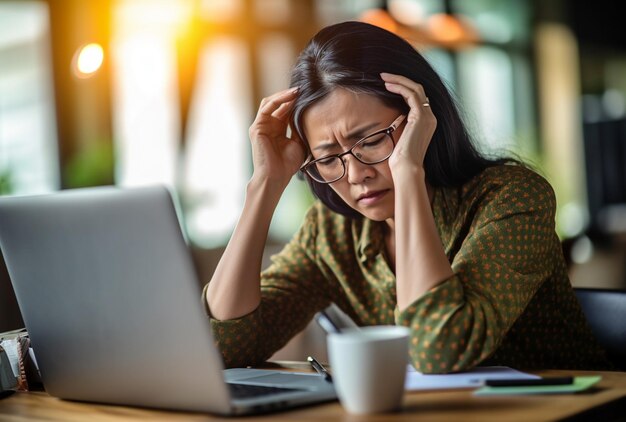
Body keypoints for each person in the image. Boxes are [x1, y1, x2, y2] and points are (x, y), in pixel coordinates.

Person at [203, 20, 612, 373]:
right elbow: (225, 348)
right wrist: (264, 185)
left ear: (421, 119)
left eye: (373, 139)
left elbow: (438, 350)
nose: (358, 174)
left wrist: (409, 170)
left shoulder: (511, 197)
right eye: (328, 158)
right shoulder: (331, 233)